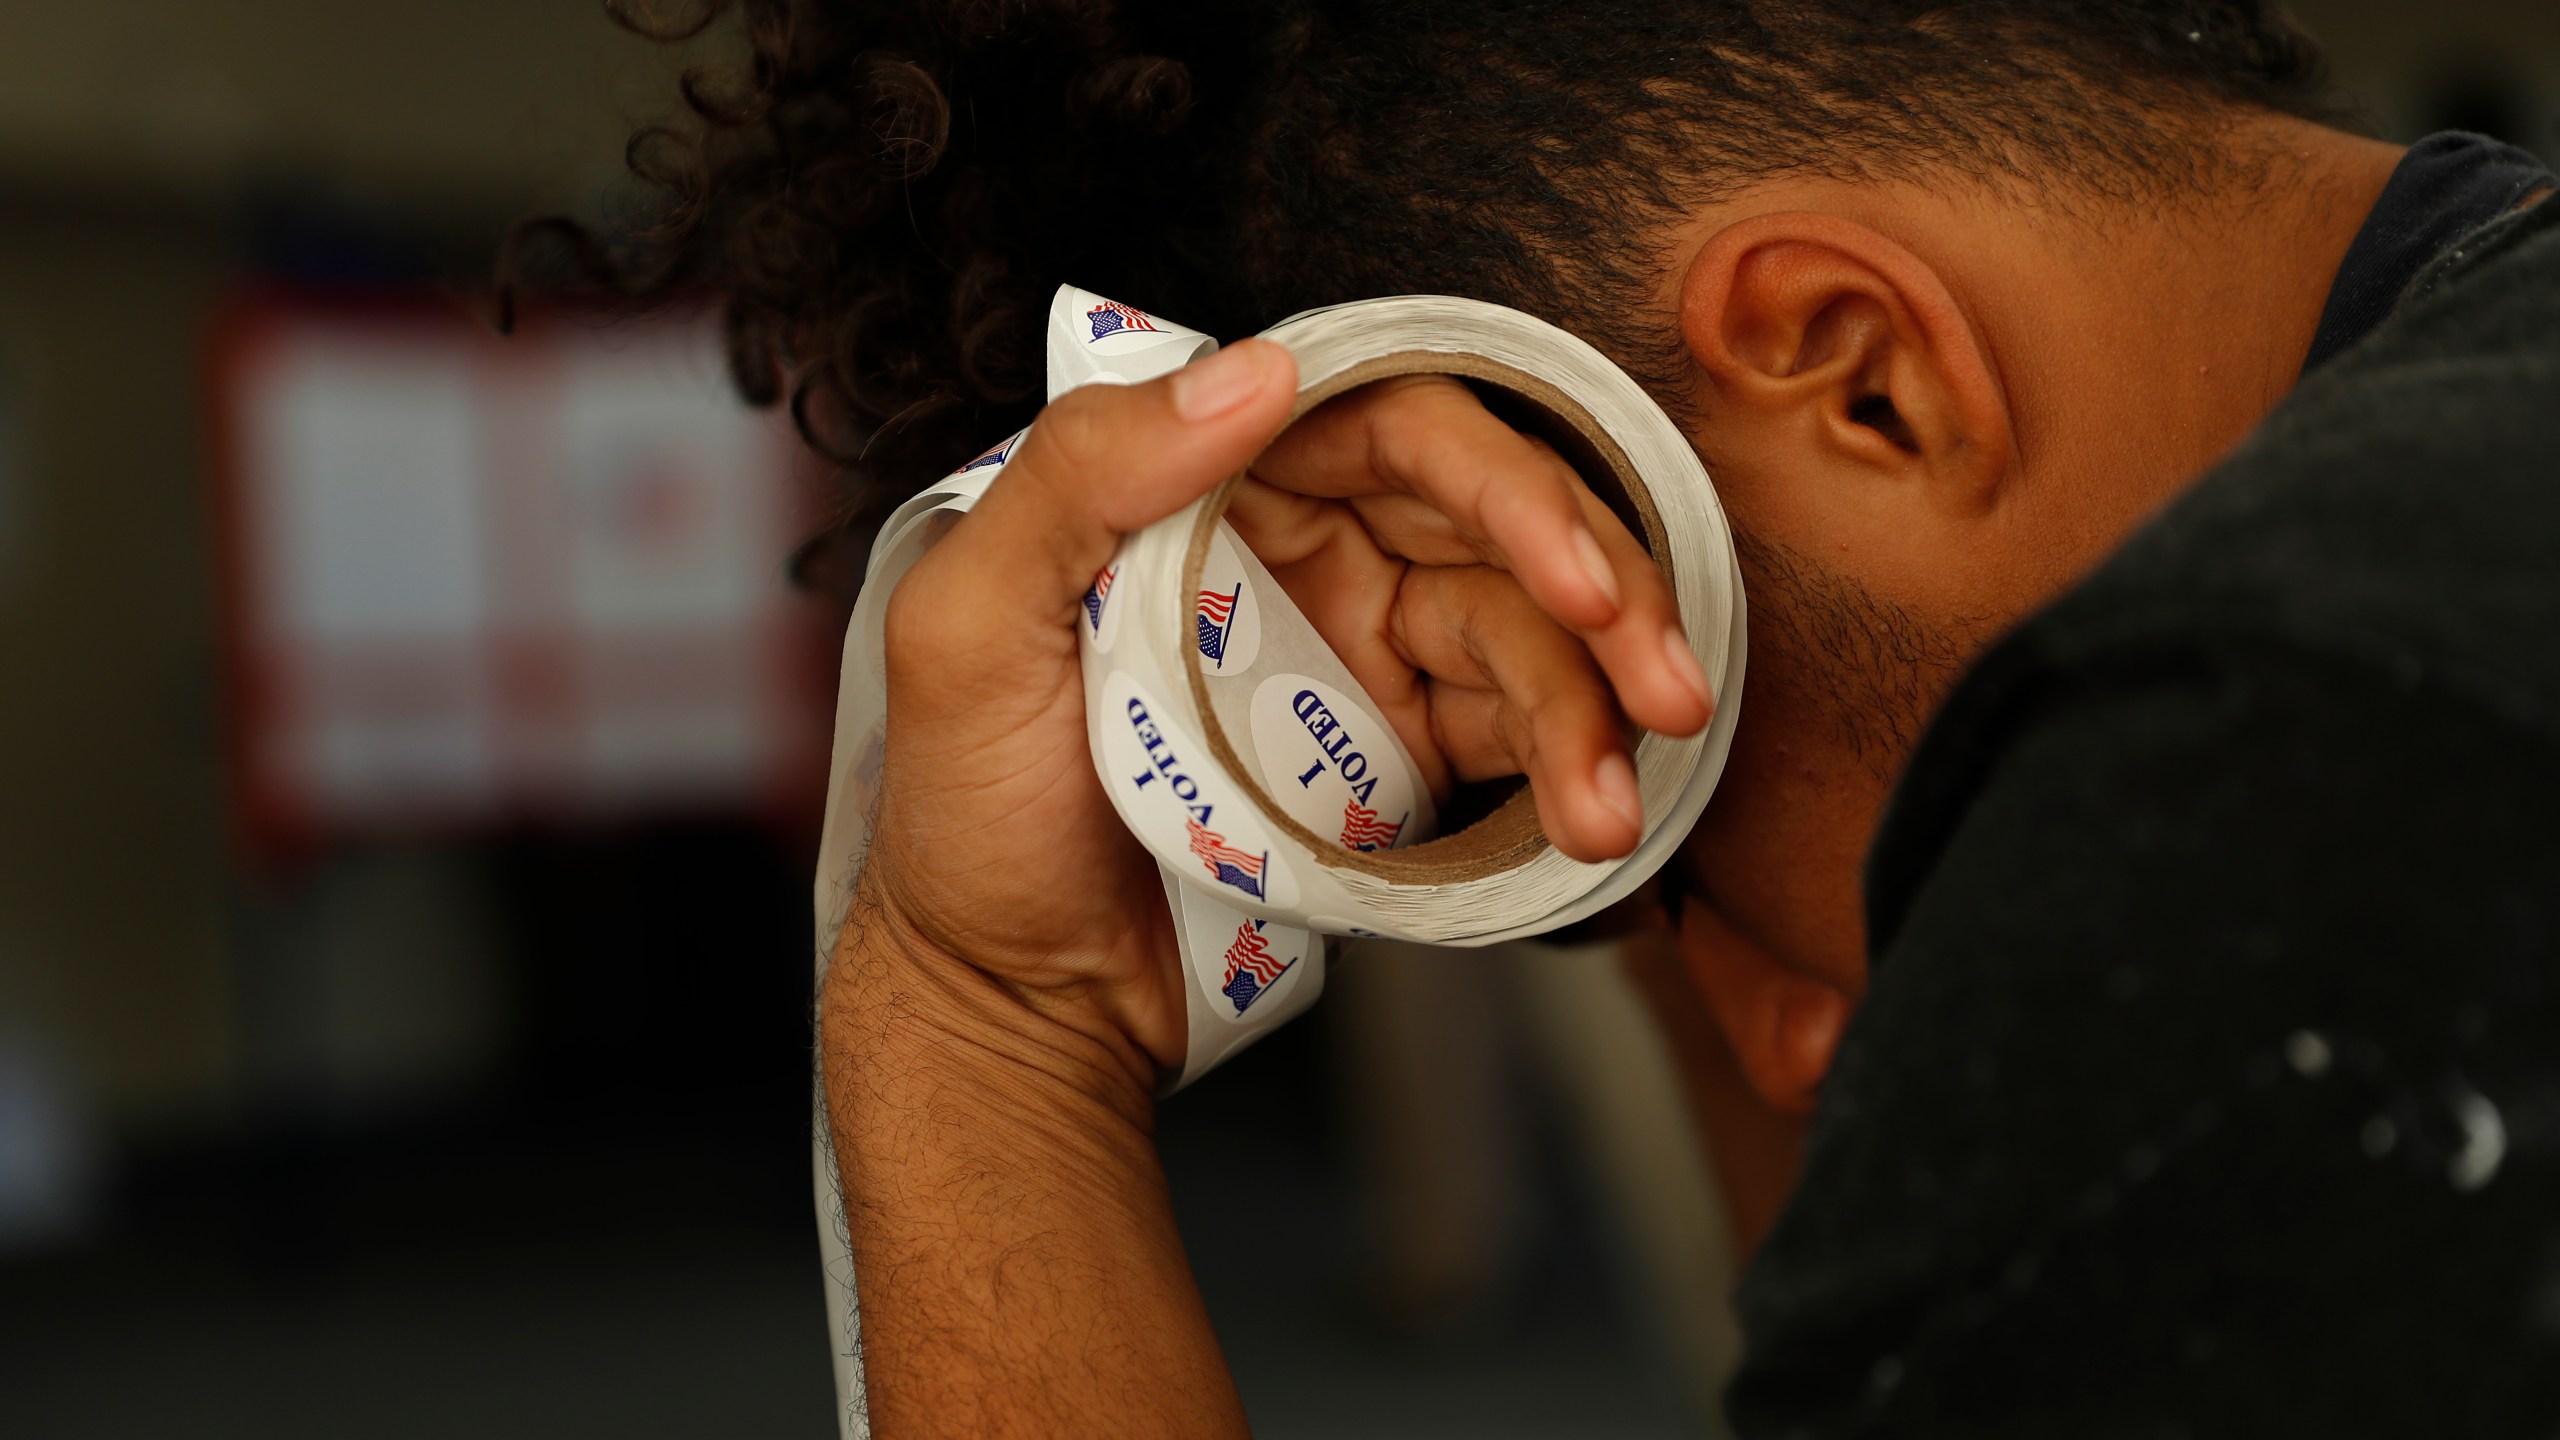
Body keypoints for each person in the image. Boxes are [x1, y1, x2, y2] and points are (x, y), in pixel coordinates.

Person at [526, 2, 2560, 1433]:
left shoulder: (2267, 768)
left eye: (1661, 855)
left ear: (1859, 374)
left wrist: (985, 1028)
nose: (1783, 1036)